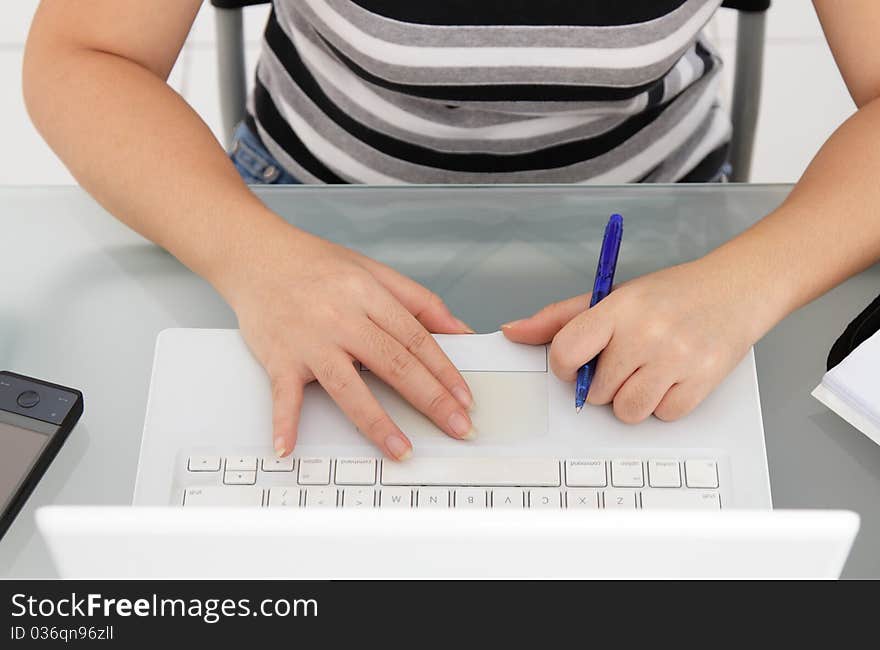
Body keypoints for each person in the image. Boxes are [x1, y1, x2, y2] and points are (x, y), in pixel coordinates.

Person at [22, 1, 880, 461]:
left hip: (668, 245)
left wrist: (745, 284)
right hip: (292, 230)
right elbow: (84, 53)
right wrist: (253, 259)